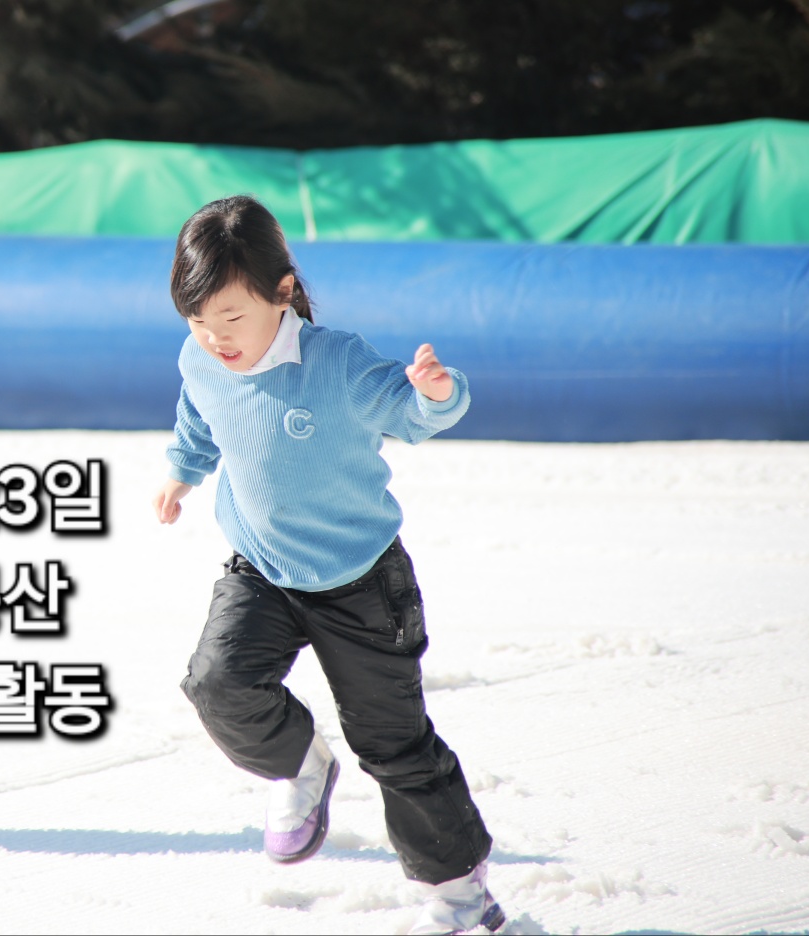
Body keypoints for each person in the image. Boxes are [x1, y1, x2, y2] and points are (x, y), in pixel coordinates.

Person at [152, 195, 505, 936]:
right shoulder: (202, 357)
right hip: (262, 570)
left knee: (393, 745)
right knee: (217, 683)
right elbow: (199, 411)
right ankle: (300, 764)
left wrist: (438, 394)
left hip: (360, 582)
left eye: (230, 319)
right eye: (197, 322)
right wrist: (183, 469)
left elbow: (409, 412)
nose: (214, 339)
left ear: (282, 292)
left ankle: (459, 898)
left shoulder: (336, 362)